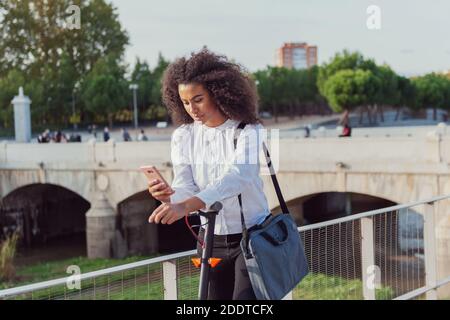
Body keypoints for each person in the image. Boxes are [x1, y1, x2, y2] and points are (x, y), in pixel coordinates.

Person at [147, 48, 270, 300]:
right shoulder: (184, 136)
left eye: (198, 99)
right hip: (209, 240)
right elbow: (185, 186)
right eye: (185, 102)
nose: (192, 108)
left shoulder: (249, 130)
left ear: (217, 92)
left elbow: (238, 177)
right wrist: (169, 196)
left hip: (250, 238)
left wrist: (188, 205)